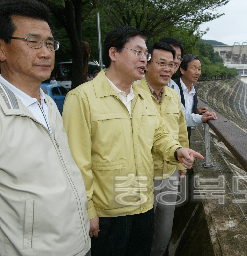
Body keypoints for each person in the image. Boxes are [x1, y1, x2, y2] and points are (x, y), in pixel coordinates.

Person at [62, 26, 203, 256]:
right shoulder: (82, 98)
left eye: (145, 54)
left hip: (143, 206)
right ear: (114, 53)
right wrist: (87, 209)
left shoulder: (141, 97)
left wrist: (177, 151)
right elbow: (77, 162)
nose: (143, 59)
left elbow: (159, 135)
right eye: (137, 52)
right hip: (108, 212)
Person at [0, 0, 90, 256]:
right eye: (32, 42)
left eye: (49, 43)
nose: (45, 52)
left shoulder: (50, 105)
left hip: (79, 245)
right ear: (0, 48)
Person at [135, 42, 189, 256]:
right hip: (142, 177)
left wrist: (182, 164)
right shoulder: (133, 93)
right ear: (146, 64)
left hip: (169, 175)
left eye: (171, 64)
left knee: (163, 234)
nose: (167, 69)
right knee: (140, 235)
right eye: (161, 63)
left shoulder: (173, 96)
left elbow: (181, 131)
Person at [173, 54, 217, 140]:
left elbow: (186, 114)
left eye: (199, 69)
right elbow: (179, 116)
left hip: (185, 137)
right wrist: (201, 118)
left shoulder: (194, 91)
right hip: (171, 138)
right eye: (194, 68)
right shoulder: (173, 88)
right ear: (182, 70)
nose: (197, 72)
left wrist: (196, 112)